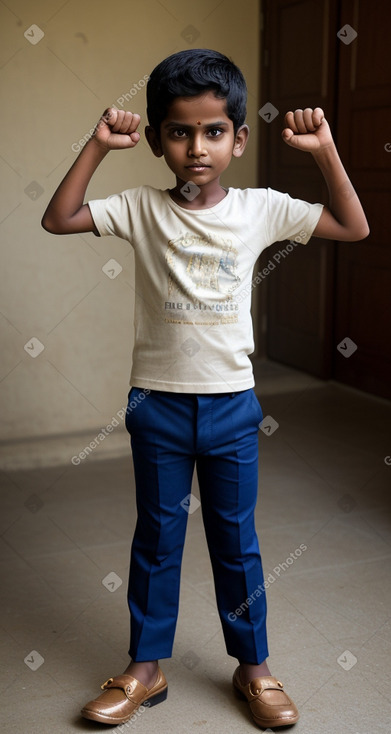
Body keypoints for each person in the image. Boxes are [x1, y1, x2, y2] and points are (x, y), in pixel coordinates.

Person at [42, 48, 369, 730]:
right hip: (155, 404)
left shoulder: (261, 209)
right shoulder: (138, 208)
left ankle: (254, 667)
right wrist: (98, 146)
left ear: (238, 138)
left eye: (213, 130)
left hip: (230, 406)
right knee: (156, 540)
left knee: (235, 541)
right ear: (158, 139)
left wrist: (325, 150)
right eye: (180, 131)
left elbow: (351, 226)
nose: (197, 147)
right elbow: (60, 217)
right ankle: (144, 667)